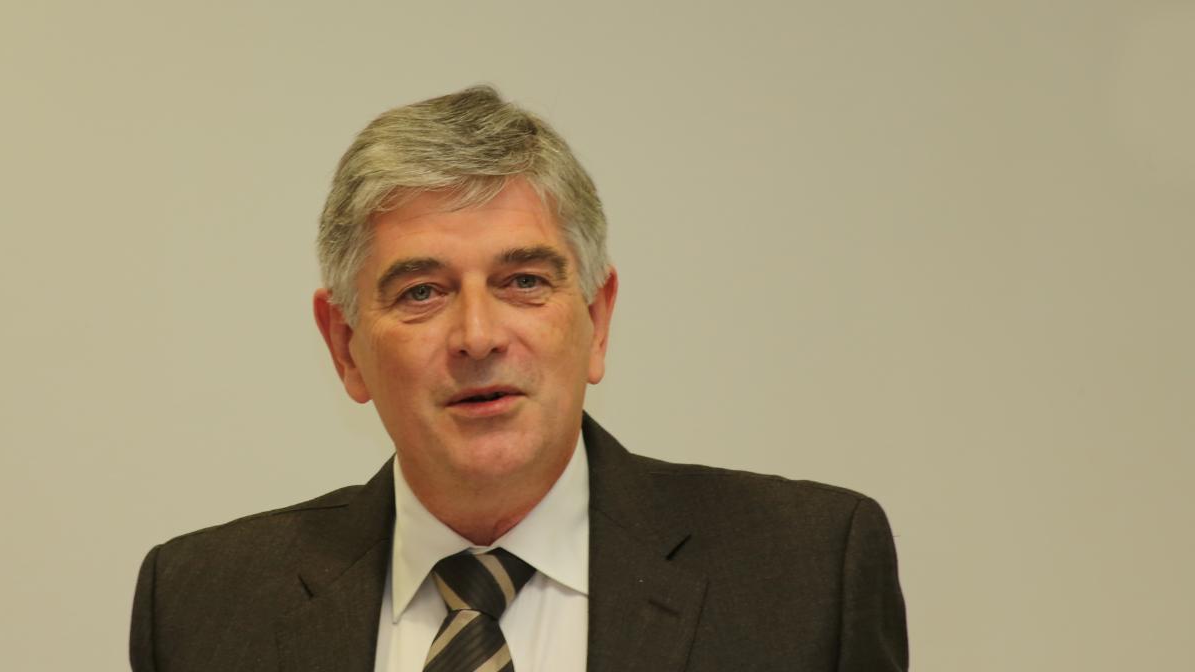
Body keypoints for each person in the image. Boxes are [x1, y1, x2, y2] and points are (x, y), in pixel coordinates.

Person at [130, 85, 908, 672]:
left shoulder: (808, 577)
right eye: (422, 292)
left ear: (597, 319)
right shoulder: (201, 608)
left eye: (524, 281)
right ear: (344, 347)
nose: (478, 336)